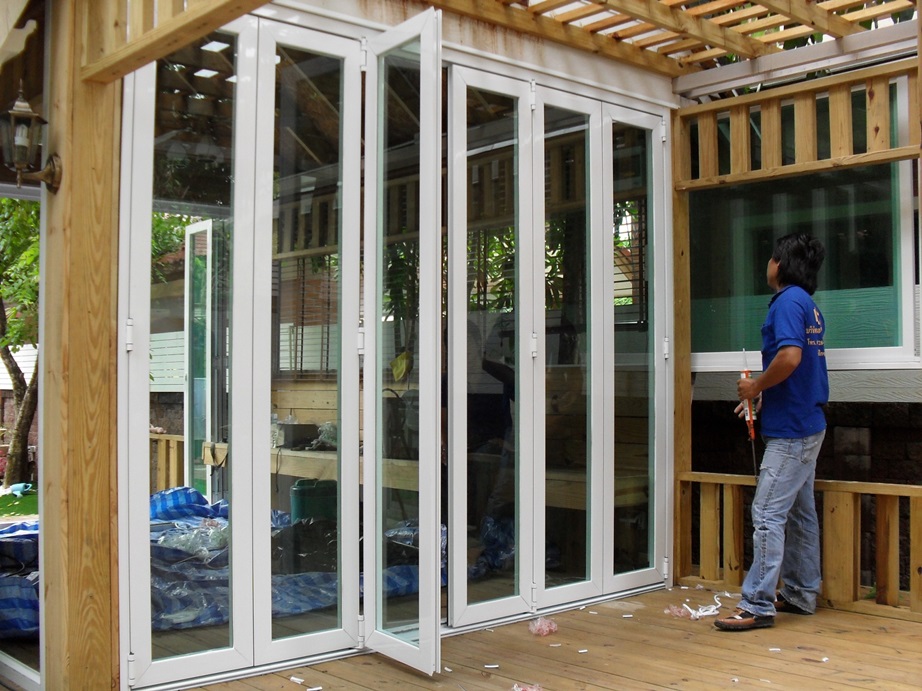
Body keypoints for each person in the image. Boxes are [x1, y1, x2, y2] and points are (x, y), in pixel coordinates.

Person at [715, 233, 828, 632]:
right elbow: (801, 368)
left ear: (780, 265)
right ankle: (800, 592)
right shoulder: (807, 304)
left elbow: (790, 357)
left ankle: (757, 604)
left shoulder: (786, 303)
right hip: (807, 421)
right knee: (800, 513)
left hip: (793, 431)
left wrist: (755, 386)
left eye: (771, 257)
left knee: (766, 512)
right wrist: (766, 395)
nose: (768, 263)